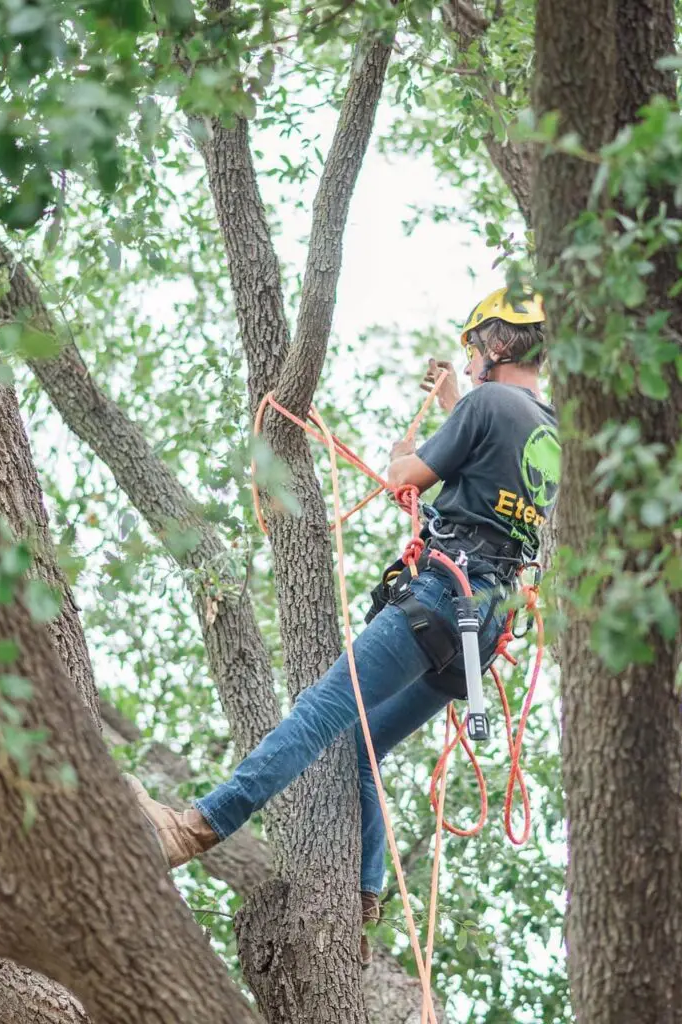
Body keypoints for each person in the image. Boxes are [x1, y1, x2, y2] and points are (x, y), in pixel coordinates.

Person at [128, 285, 560, 965]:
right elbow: (481, 482)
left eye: (477, 347)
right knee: (359, 748)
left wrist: (408, 443)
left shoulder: (486, 404)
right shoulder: (549, 428)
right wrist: (453, 404)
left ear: (499, 343)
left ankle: (198, 826)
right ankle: (363, 896)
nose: (472, 360)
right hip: (484, 631)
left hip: (443, 601)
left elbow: (404, 480)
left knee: (322, 709)